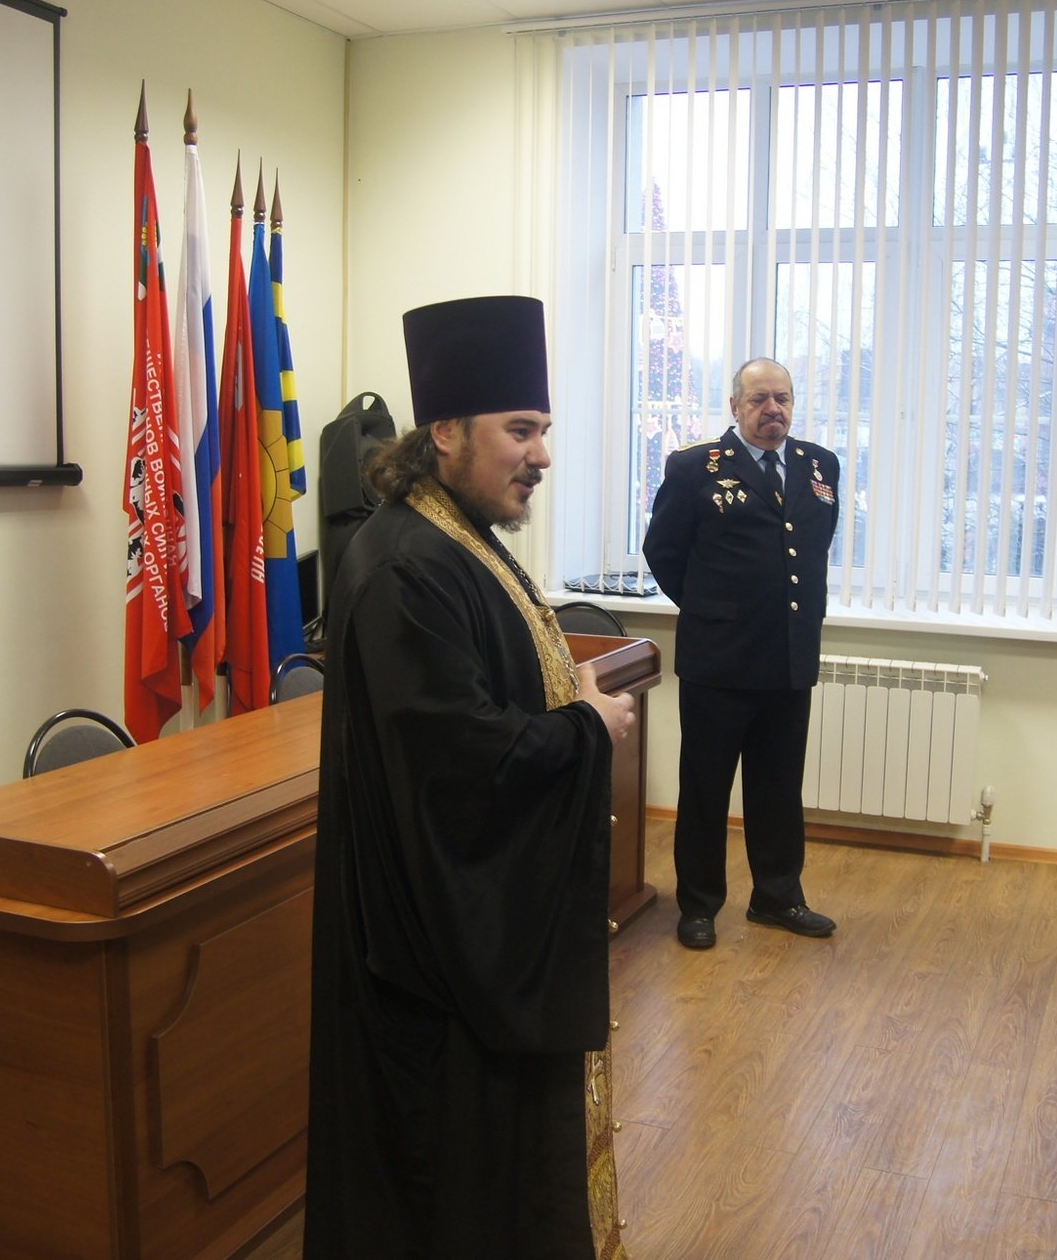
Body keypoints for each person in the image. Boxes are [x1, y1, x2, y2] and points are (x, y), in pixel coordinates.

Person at [304, 294, 636, 1260]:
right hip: (434, 974)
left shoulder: (454, 534)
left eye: (544, 430)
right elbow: (457, 770)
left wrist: (566, 709)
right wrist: (587, 728)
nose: (542, 455)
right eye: (520, 430)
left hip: (460, 954)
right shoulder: (406, 566)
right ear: (445, 431)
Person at [645, 357, 841, 951]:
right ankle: (699, 905)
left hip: (789, 658)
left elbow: (811, 548)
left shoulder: (818, 465)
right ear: (735, 406)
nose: (772, 409)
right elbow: (663, 551)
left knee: (778, 787)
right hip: (719, 661)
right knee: (706, 789)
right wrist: (713, 609)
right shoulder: (695, 467)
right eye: (758, 399)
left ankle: (777, 897)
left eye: (782, 398)